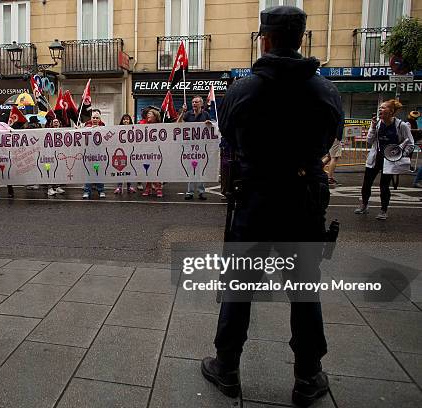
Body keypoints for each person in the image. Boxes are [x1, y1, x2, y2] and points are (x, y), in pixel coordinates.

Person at [201, 7, 343, 408]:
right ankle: (308, 375)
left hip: (256, 198)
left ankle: (227, 366)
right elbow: (333, 134)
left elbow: (228, 134)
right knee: (304, 289)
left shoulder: (243, 91)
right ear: (301, 39)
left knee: (240, 285)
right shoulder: (325, 90)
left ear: (264, 39)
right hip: (304, 198)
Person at [354, 100, 414, 220]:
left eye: (383, 108)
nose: (380, 110)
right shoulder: (377, 124)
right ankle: (364, 205)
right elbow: (369, 141)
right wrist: (372, 126)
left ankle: (383, 210)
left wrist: (400, 154)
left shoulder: (401, 125)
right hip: (375, 158)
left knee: (384, 186)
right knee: (366, 184)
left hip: (390, 160)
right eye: (379, 108)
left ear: (391, 111)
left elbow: (410, 144)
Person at [179, 95, 212, 200]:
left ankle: (201, 192)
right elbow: (178, 124)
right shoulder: (188, 114)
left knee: (200, 169)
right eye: (193, 102)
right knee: (191, 169)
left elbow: (212, 128)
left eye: (196, 102)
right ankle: (190, 192)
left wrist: (209, 123)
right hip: (190, 146)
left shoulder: (206, 114)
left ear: (201, 104)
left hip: (202, 146)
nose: (194, 104)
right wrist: (182, 112)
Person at [83, 109, 106, 199]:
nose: (95, 119)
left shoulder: (104, 129)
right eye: (94, 117)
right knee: (88, 173)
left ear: (99, 120)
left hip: (99, 154)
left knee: (98, 172)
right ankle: (87, 191)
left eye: (97, 118)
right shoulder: (86, 128)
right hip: (89, 154)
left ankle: (101, 190)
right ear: (91, 119)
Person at [142, 109, 164, 198]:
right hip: (146, 151)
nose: (148, 115)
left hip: (157, 151)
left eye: (150, 114)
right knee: (147, 169)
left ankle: (158, 188)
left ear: (155, 116)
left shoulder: (160, 127)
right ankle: (148, 187)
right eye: (147, 114)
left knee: (156, 169)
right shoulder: (143, 126)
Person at [115, 114, 136, 194]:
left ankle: (129, 186)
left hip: (130, 152)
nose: (126, 121)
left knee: (129, 169)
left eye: (127, 119)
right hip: (121, 153)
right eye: (124, 119)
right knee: (120, 169)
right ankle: (119, 187)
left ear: (130, 120)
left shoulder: (134, 130)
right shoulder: (118, 129)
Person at [322, 117, 344, 186]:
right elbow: (340, 126)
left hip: (329, 137)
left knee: (329, 156)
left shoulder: (331, 111)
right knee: (334, 157)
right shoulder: (338, 112)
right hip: (335, 137)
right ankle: (329, 178)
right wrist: (338, 137)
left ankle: (315, 170)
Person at [46, 117, 66, 197]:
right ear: (51, 124)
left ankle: (57, 187)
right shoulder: (47, 132)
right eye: (54, 122)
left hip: (59, 154)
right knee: (50, 172)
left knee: (58, 171)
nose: (56, 123)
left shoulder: (63, 131)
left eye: (57, 121)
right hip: (50, 155)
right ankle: (50, 189)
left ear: (59, 123)